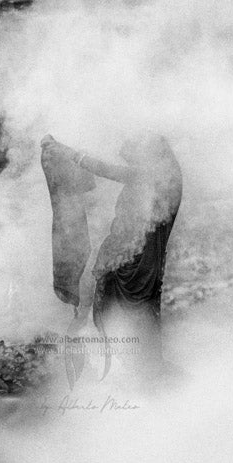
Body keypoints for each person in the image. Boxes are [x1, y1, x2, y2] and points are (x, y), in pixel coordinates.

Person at [41, 132, 183, 383]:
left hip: (136, 261)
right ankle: (135, 367)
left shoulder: (154, 173)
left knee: (130, 308)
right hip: (131, 257)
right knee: (128, 308)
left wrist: (72, 155)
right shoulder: (156, 174)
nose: (125, 155)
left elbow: (111, 171)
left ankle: (139, 369)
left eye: (131, 149)